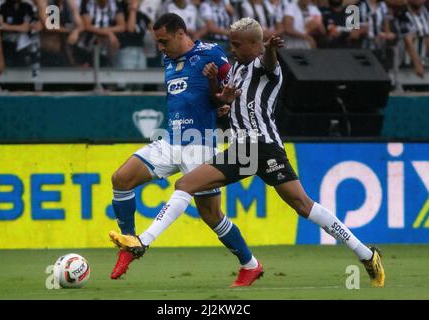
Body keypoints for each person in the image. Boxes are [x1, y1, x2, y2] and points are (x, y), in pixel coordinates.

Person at [110, 17, 386, 288]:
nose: (232, 49)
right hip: (247, 149)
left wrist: (272, 50)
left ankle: (366, 254)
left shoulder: (266, 65)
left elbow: (269, 64)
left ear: (255, 44)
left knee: (304, 206)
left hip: (262, 147)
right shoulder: (236, 71)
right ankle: (142, 241)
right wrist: (224, 101)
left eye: (237, 45)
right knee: (187, 185)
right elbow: (227, 100)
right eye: (231, 43)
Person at [109, 13, 263, 288]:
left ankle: (250, 264)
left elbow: (235, 88)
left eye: (163, 40)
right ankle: (129, 242)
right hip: (170, 139)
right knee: (121, 179)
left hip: (200, 143)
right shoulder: (168, 60)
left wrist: (225, 105)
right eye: (157, 42)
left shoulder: (211, 53)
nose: (160, 47)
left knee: (211, 215)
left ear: (181, 33)